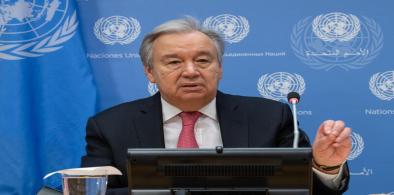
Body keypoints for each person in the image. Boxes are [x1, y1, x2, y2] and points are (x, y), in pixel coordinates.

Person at [81, 17, 351, 195]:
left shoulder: (271, 117)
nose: (190, 71)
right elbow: (96, 191)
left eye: (202, 60)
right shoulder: (110, 126)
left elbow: (301, 190)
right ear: (150, 71)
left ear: (219, 68)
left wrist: (325, 166)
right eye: (174, 62)